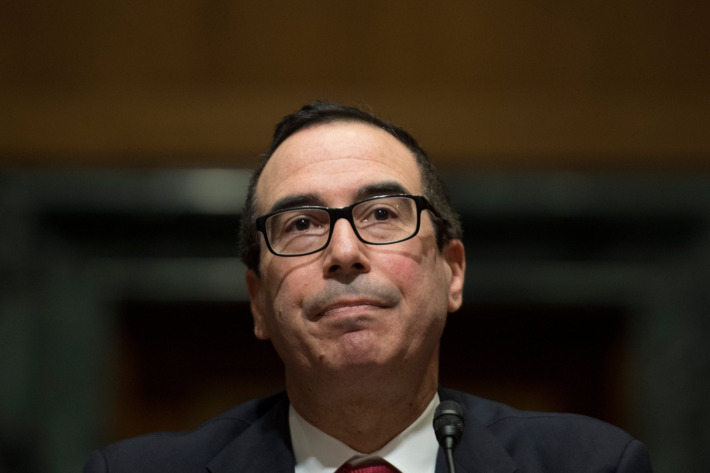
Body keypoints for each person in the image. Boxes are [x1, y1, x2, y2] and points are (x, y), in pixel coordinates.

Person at [84, 101, 653, 472]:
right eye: (301, 224)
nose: (344, 253)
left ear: (453, 271)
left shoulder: (593, 465)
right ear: (257, 301)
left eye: (382, 214)